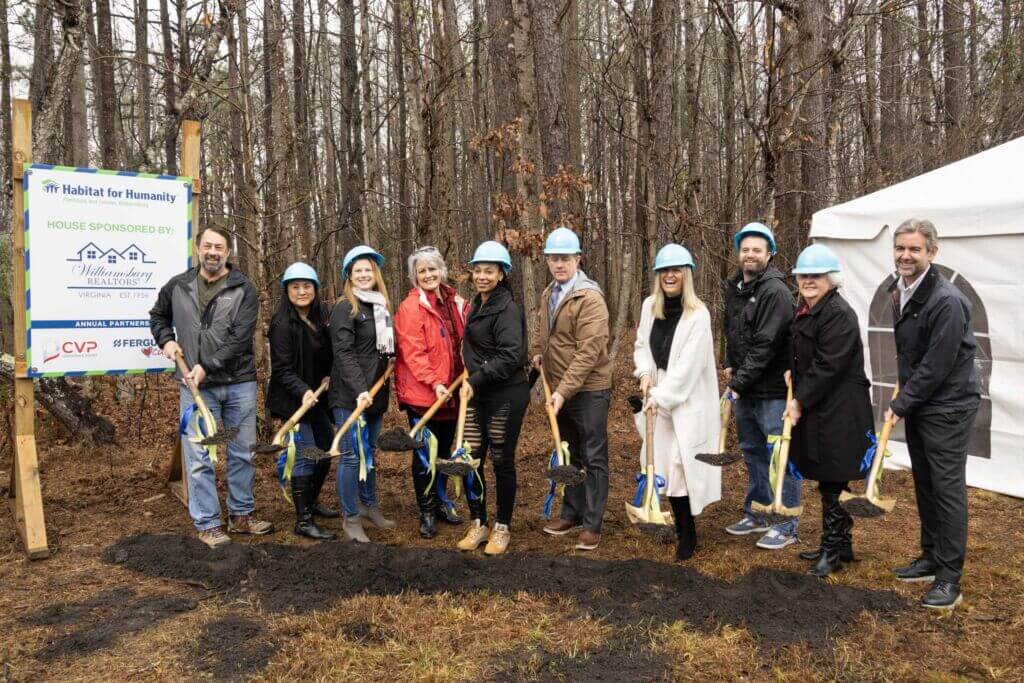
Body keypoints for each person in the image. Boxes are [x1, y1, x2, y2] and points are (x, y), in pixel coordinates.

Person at [150, 225, 271, 548]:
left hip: (239, 385)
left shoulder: (244, 288)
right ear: (198, 248)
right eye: (207, 246)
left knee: (242, 452)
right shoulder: (178, 286)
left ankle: (241, 515)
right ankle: (207, 523)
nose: (213, 252)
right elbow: (158, 316)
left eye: (219, 247)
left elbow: (239, 338)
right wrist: (166, 340)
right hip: (195, 387)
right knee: (200, 456)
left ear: (228, 253)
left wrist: (207, 366)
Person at [885, 219, 979, 610]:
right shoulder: (901, 290)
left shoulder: (947, 301)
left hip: (949, 407)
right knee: (924, 482)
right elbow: (913, 354)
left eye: (915, 249)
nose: (906, 255)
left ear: (932, 252)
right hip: (924, 403)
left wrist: (900, 404)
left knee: (947, 489)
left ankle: (949, 578)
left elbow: (937, 365)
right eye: (901, 248)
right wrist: (908, 400)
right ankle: (929, 557)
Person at [783, 245, 871, 577]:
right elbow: (805, 353)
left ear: (831, 279)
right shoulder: (806, 308)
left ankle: (833, 551)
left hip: (840, 409)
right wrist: (792, 371)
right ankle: (838, 544)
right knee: (831, 478)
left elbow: (828, 366)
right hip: (823, 407)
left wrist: (798, 401)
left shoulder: (838, 314)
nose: (808, 280)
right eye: (804, 275)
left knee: (834, 478)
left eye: (816, 275)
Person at [632, 244, 721, 561]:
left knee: (683, 465)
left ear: (686, 275)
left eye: (676, 270)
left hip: (685, 401)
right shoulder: (648, 306)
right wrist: (643, 373)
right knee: (663, 466)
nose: (670, 276)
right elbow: (642, 343)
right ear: (658, 275)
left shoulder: (698, 315)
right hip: (656, 396)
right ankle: (673, 522)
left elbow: (688, 367)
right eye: (664, 271)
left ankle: (688, 532)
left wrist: (661, 396)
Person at [532, 227, 612, 551]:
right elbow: (543, 330)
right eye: (553, 258)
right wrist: (537, 351)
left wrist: (563, 392)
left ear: (577, 259)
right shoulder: (548, 292)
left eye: (565, 258)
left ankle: (593, 523)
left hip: (589, 389)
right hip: (560, 388)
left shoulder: (590, 298)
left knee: (593, 456)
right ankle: (572, 512)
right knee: (570, 454)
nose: (559, 264)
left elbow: (588, 352)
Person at [723, 222, 801, 550]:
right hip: (746, 388)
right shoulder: (736, 287)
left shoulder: (776, 292)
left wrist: (738, 383)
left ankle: (786, 523)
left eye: (757, 249)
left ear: (769, 254)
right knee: (753, 451)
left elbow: (766, 345)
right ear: (739, 253)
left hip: (769, 390)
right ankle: (757, 512)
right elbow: (733, 331)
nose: (750, 254)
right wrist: (729, 363)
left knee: (777, 454)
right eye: (745, 249)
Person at [456, 241, 531, 555]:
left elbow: (512, 355)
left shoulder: (507, 309)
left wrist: (476, 377)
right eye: (478, 270)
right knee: (470, 459)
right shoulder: (477, 305)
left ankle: (502, 527)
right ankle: (478, 522)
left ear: (502, 274)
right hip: (478, 393)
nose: (482, 276)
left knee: (501, 460)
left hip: (505, 394)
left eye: (489, 270)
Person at [394, 246, 468, 538]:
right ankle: (426, 510)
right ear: (414, 276)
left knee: (445, 452)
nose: (428, 275)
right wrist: (434, 382)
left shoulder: (456, 302)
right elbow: (414, 353)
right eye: (422, 271)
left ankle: (440, 501)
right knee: (425, 454)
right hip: (425, 396)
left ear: (442, 271)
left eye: (432, 269)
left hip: (453, 392)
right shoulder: (410, 308)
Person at [329, 245, 397, 543]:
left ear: (376, 273)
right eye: (358, 270)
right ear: (349, 275)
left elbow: (384, 351)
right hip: (350, 395)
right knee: (350, 456)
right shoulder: (346, 306)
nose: (364, 274)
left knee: (369, 453)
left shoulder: (380, 306)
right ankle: (351, 518)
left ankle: (369, 506)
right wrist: (360, 390)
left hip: (376, 393)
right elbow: (344, 353)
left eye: (368, 269)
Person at [266, 263, 337, 541]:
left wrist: (330, 376)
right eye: (295, 286)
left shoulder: (323, 317)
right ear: (287, 290)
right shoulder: (282, 324)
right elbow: (282, 369)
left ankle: (311, 500)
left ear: (315, 289)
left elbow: (329, 353)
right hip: (293, 399)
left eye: (307, 286)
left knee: (325, 448)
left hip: (317, 397)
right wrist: (303, 390)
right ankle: (303, 520)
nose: (302, 291)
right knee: (306, 453)